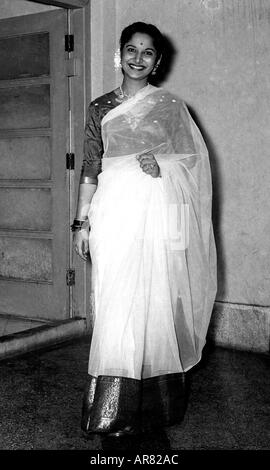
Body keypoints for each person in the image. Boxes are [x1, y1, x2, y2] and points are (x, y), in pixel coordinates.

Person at [72, 21, 217, 438]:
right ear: (119, 55)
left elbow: (190, 162)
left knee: (154, 304)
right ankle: (112, 409)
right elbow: (90, 167)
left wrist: (163, 165)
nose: (138, 58)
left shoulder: (169, 107)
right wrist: (81, 222)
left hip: (156, 213)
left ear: (157, 61)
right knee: (116, 302)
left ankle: (154, 407)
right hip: (113, 213)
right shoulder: (100, 108)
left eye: (147, 52)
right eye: (131, 50)